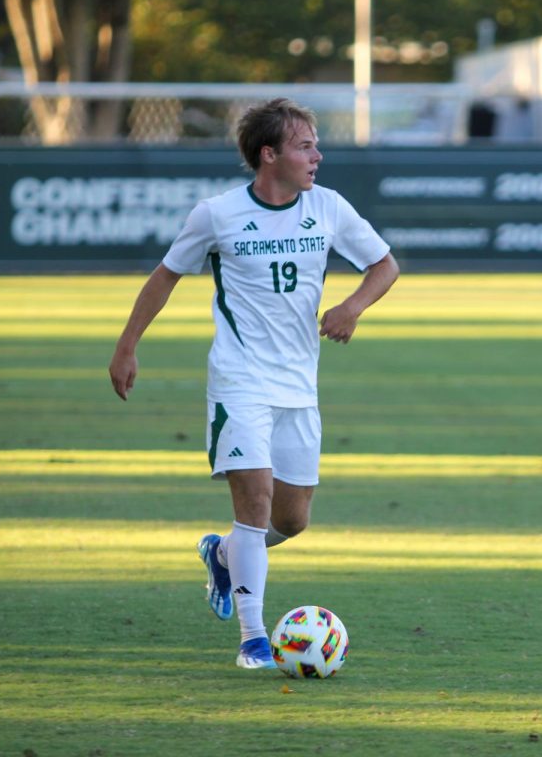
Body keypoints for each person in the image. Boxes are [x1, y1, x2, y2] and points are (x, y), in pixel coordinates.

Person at [108, 98, 399, 669]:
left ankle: (223, 555)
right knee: (254, 501)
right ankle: (253, 640)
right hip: (239, 381)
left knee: (290, 519)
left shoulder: (329, 207)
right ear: (270, 156)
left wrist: (353, 306)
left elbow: (384, 265)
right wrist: (127, 344)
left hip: (299, 387)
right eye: (305, 145)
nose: (318, 155)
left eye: (315, 144)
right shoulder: (216, 215)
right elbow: (164, 278)